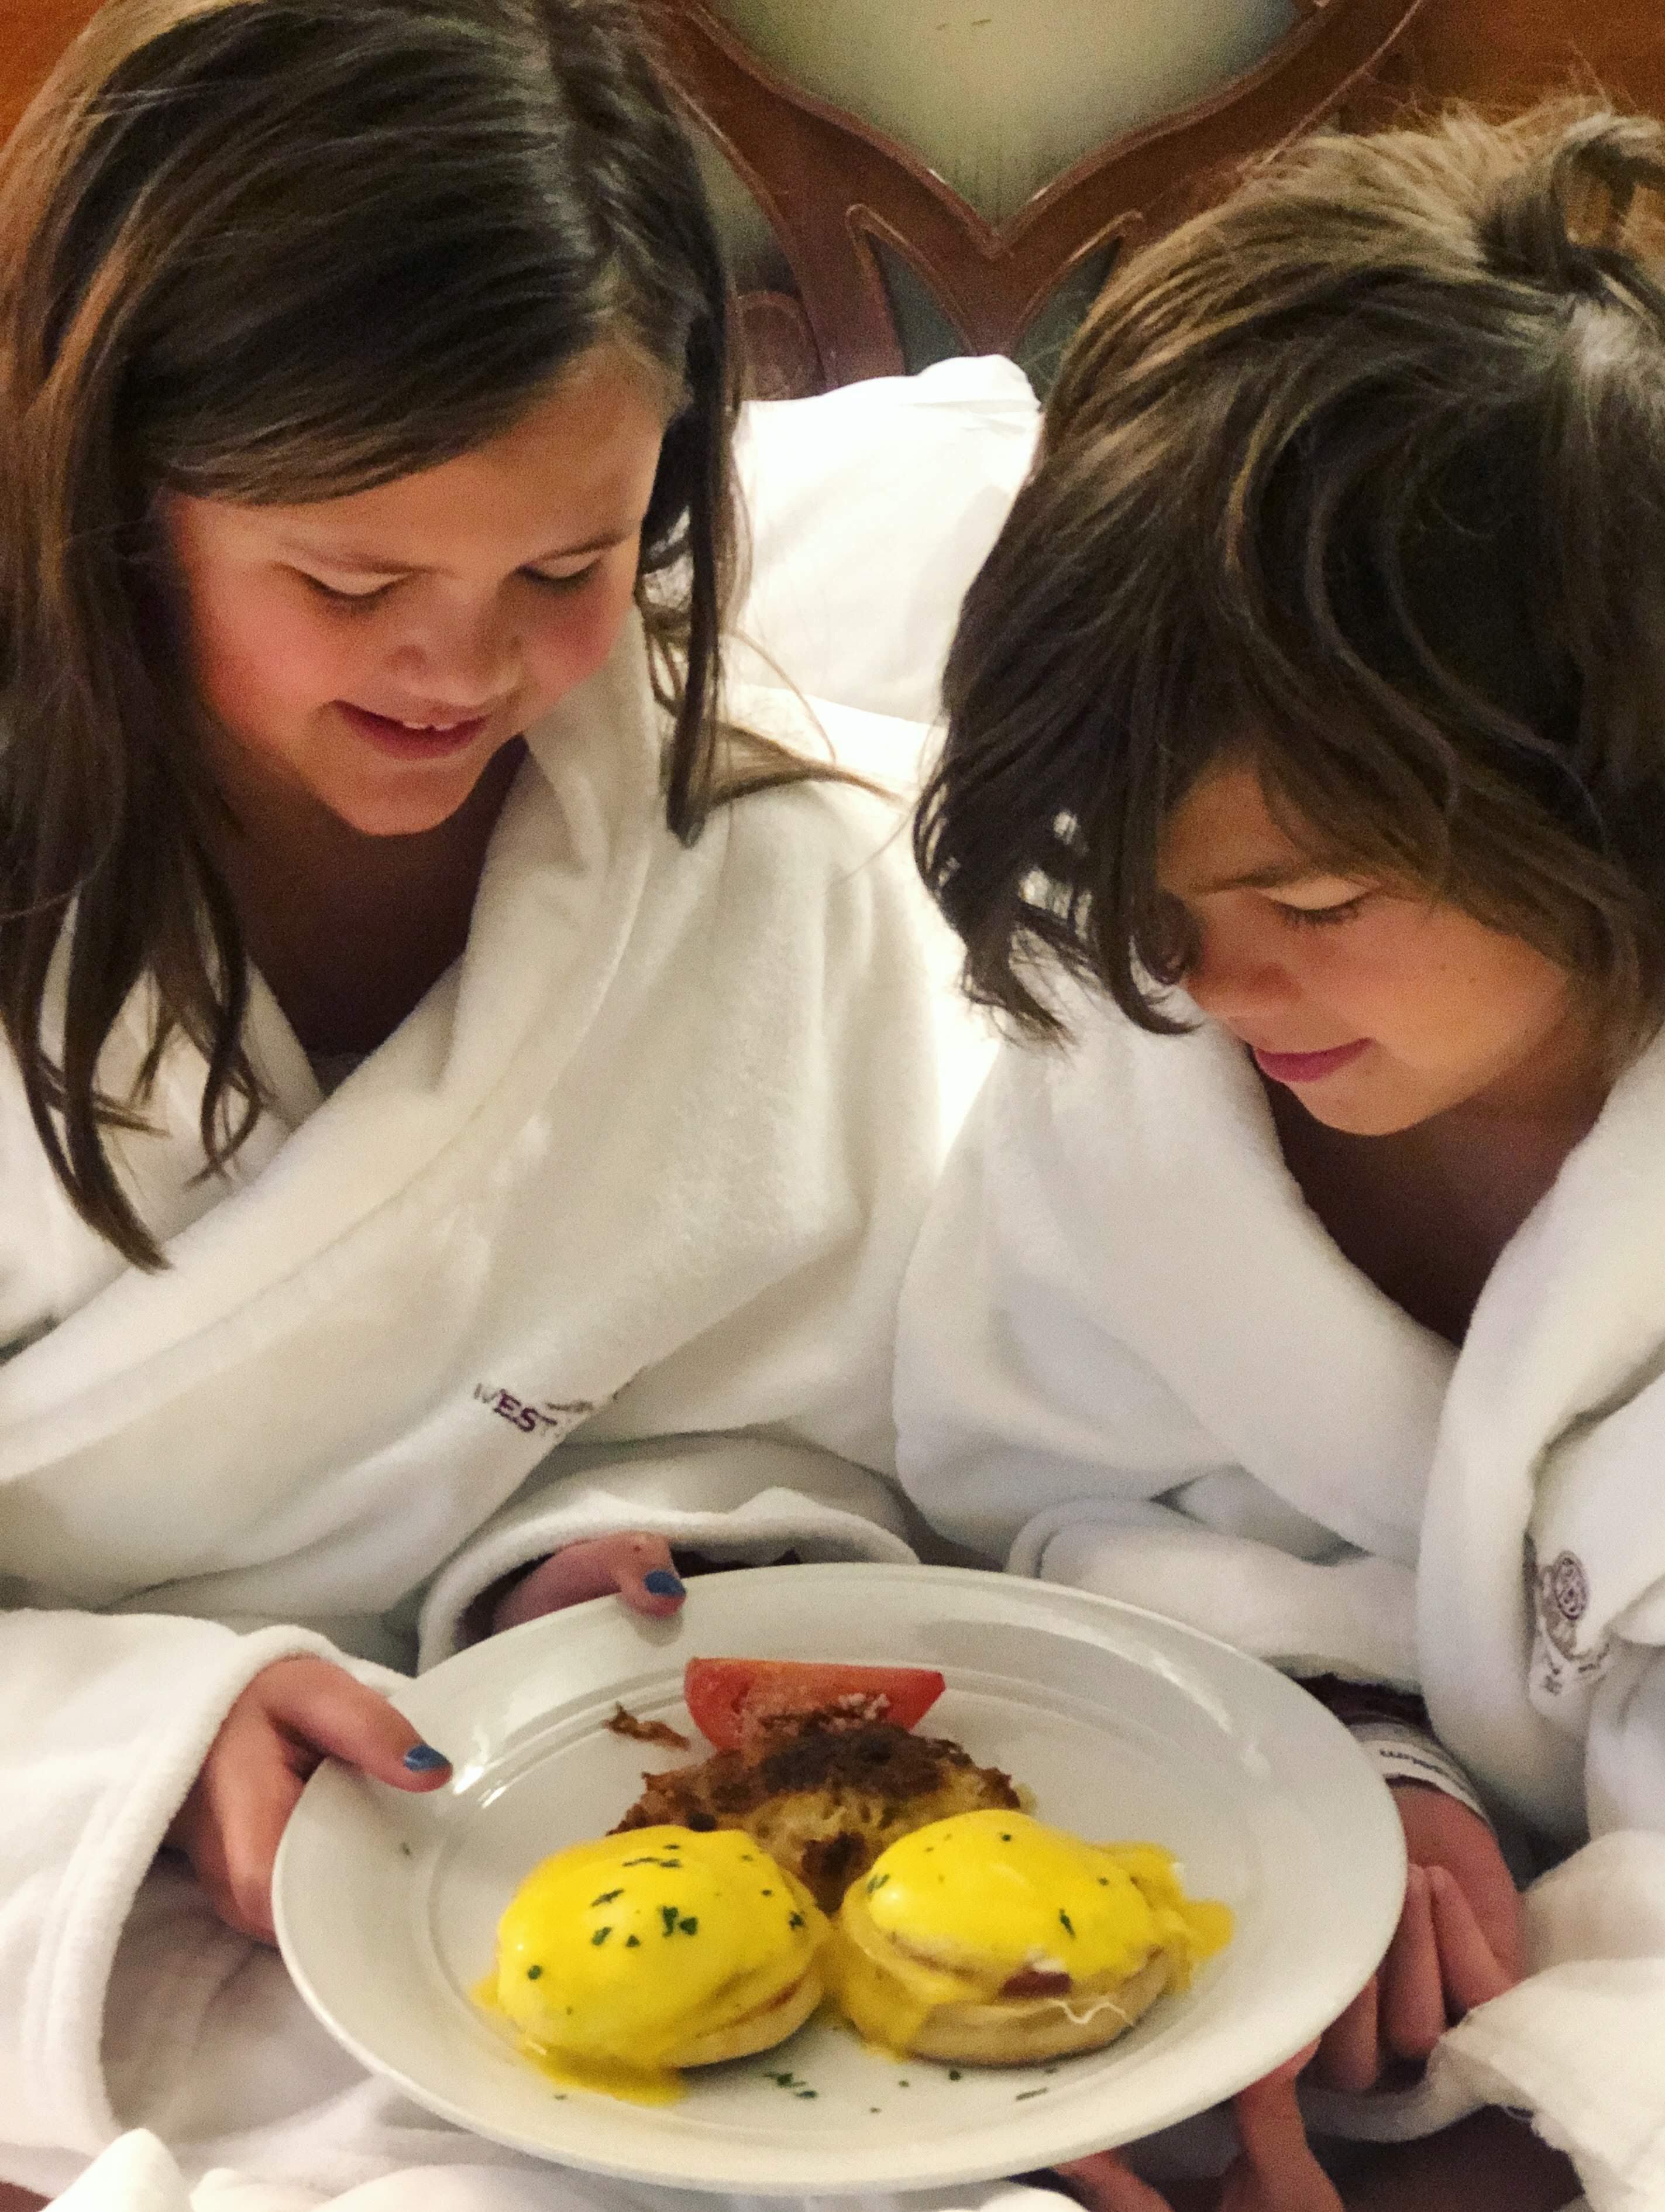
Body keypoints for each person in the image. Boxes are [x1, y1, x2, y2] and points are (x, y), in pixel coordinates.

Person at [0, 5, 1019, 2209]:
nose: (465, 672)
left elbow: (822, 1396)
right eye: (353, 585)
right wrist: (142, 1746)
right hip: (67, 1871)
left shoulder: (761, 867)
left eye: (571, 569)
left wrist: (605, 1544)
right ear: (111, 494)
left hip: (540, 1819)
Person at [899, 101, 1665, 2211]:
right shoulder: (1135, 1055)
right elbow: (1060, 1518)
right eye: (1153, 891)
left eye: (1320, 897)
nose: (1213, 986)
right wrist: (1345, 1747)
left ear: (1620, 782)